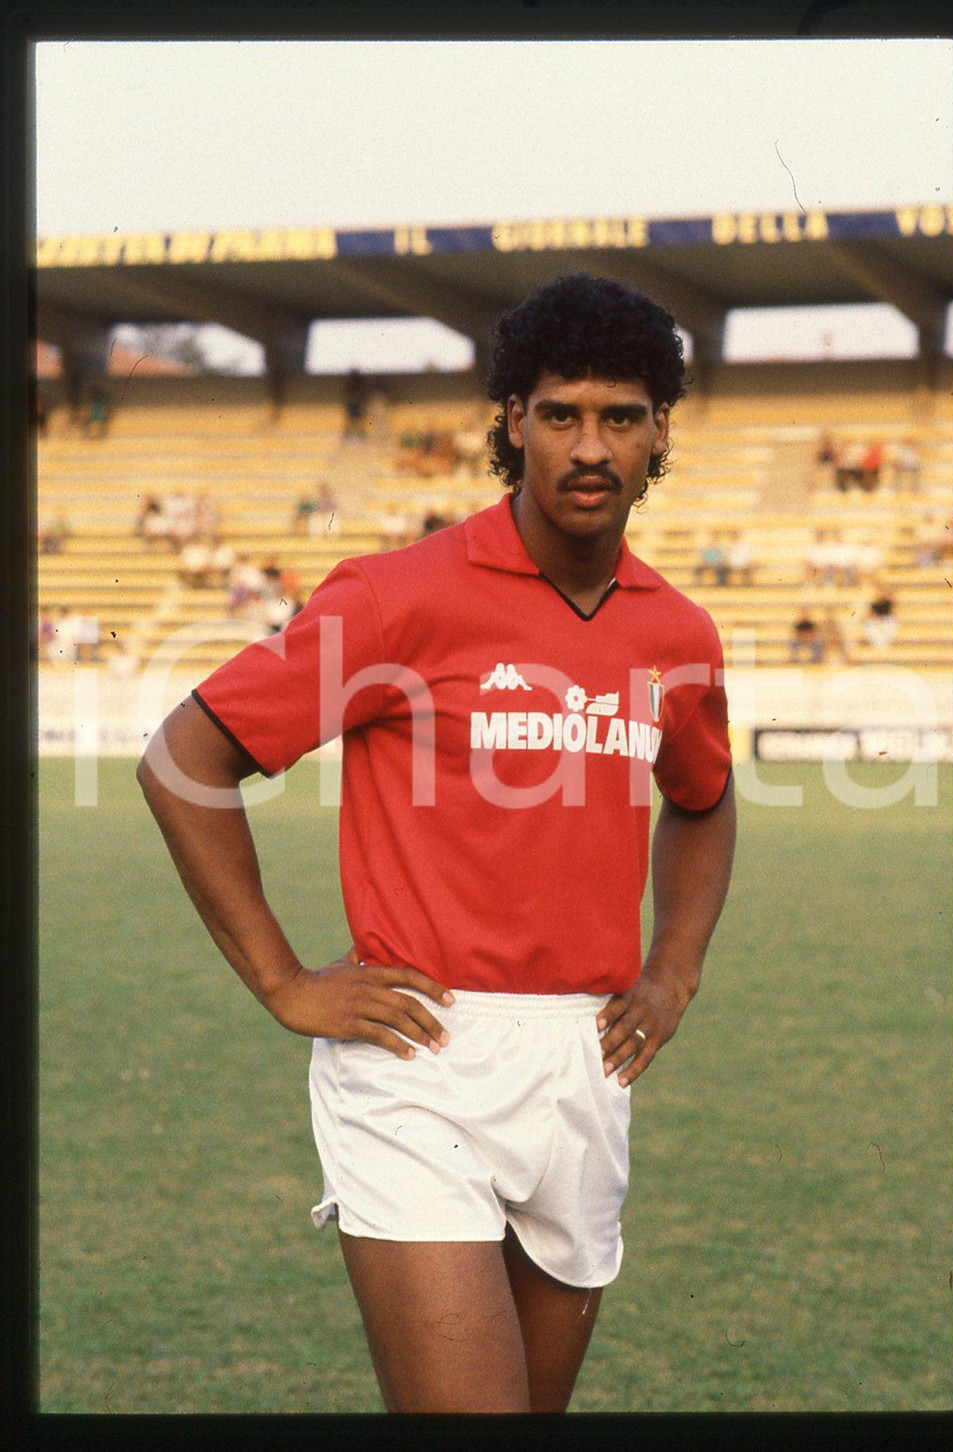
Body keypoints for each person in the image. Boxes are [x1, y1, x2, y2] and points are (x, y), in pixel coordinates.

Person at [137, 272, 736, 1415]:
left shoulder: (677, 631)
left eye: (621, 415)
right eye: (560, 414)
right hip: (417, 1060)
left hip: (583, 1066)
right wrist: (280, 979)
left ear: (662, 430)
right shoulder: (397, 598)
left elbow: (703, 801)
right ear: (512, 422)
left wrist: (673, 969)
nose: (590, 446)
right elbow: (184, 760)